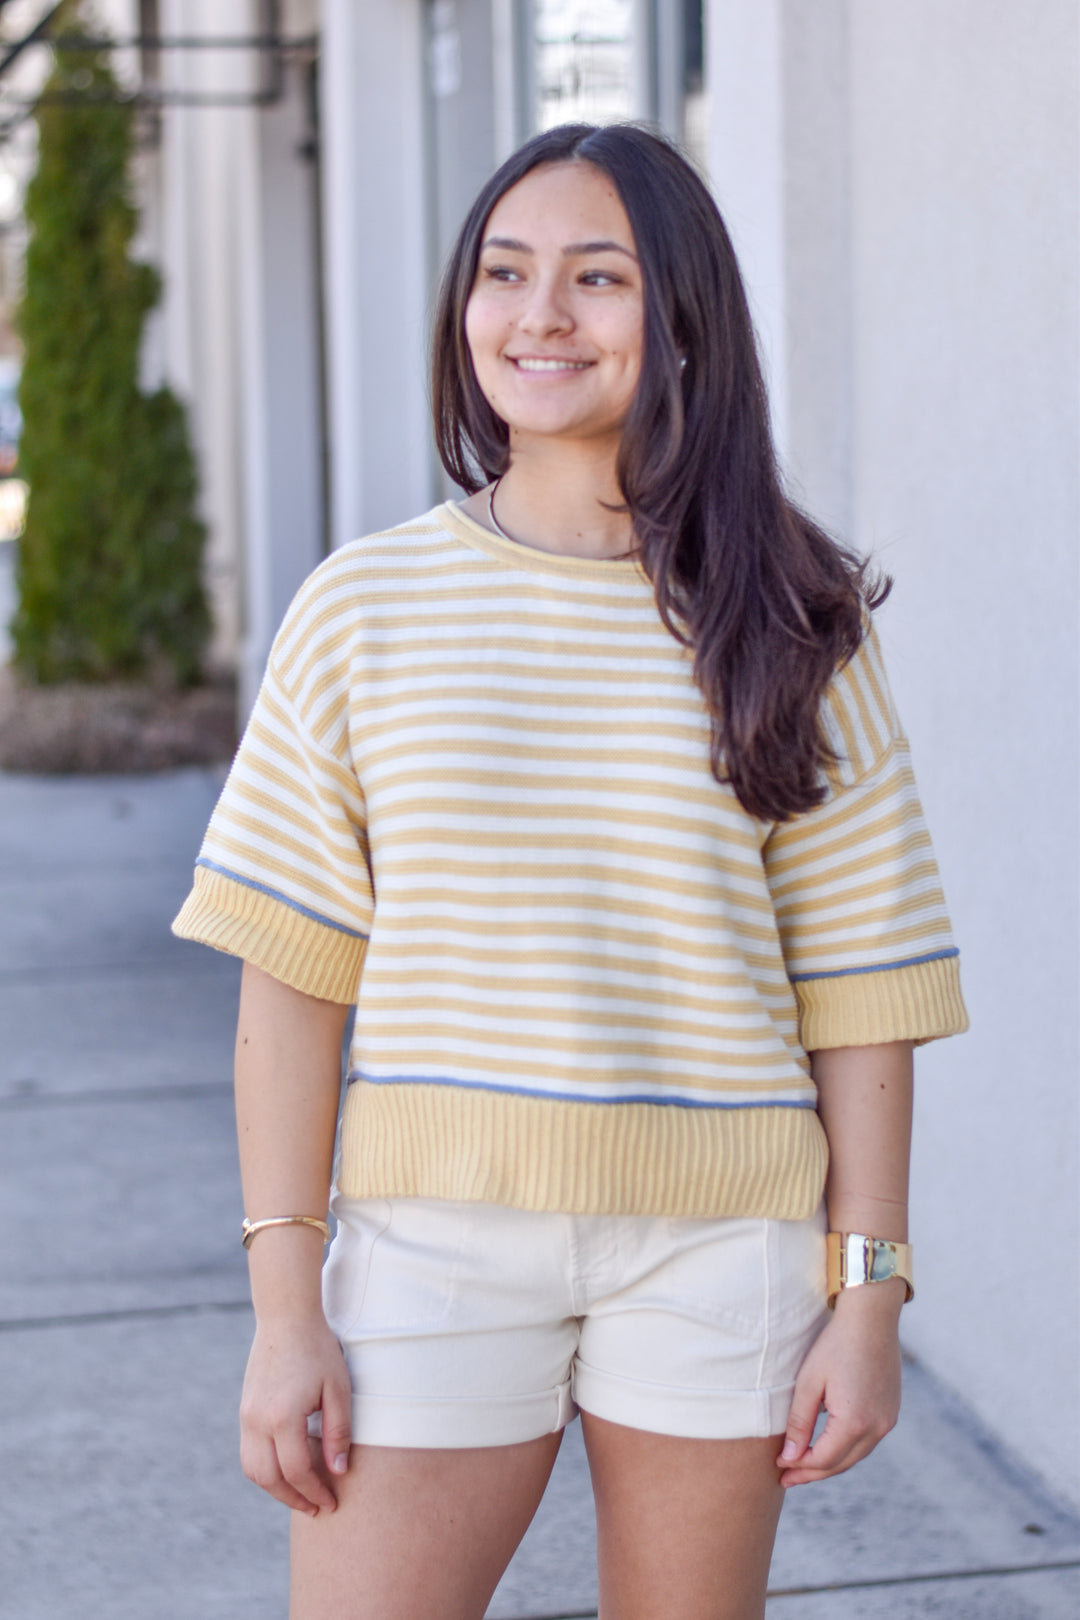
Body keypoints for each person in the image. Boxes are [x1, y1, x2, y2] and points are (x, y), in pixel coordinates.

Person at [173, 123, 968, 1620]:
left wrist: (869, 1295)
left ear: (682, 320)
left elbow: (868, 990)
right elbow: (290, 991)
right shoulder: (361, 611)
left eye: (597, 277)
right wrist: (286, 1311)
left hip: (723, 1252)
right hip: (431, 1244)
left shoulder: (787, 619)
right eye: (505, 272)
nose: (540, 315)